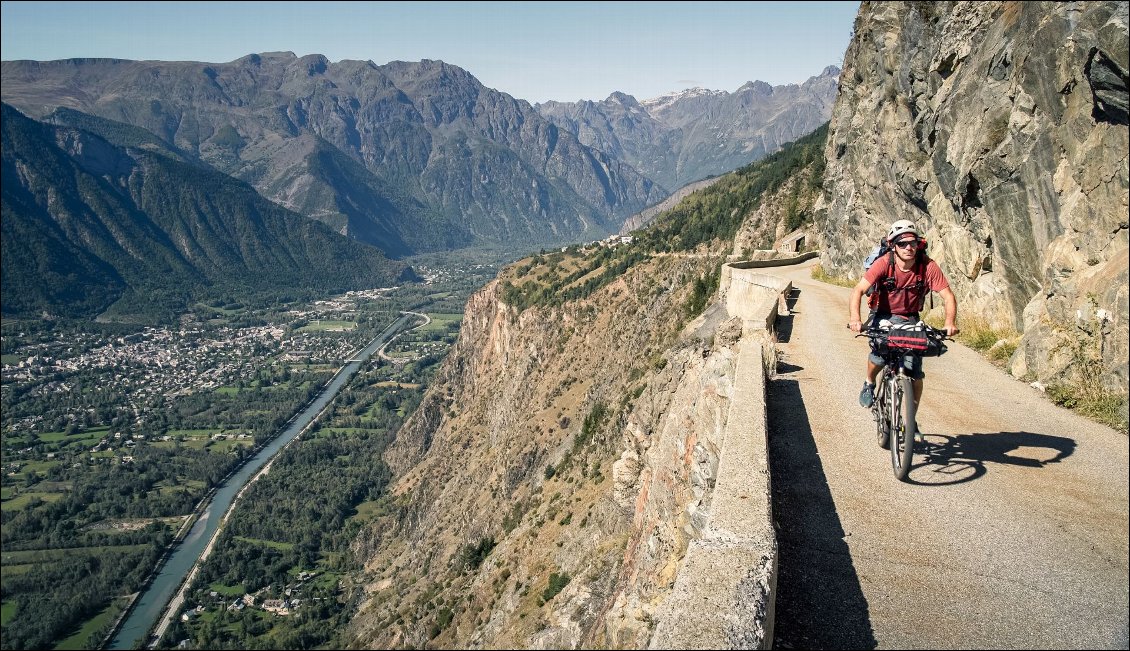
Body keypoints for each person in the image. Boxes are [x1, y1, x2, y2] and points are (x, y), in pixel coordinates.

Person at [847, 219, 959, 413]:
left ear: (918, 244)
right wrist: (855, 319)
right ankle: (869, 382)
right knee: (880, 356)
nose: (908, 247)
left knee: (915, 373)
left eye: (912, 243)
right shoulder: (884, 263)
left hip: (911, 317)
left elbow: (947, 296)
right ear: (893, 246)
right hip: (883, 314)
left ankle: (911, 418)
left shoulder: (927, 266)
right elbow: (858, 290)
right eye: (902, 243)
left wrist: (950, 323)